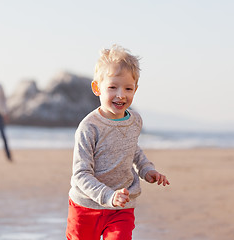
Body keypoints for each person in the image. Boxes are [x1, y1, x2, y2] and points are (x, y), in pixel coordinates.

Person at [66, 45, 170, 240]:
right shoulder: (89, 127)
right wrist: (107, 196)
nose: (121, 95)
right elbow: (81, 174)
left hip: (122, 205)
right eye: (112, 87)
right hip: (86, 206)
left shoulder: (134, 121)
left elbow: (133, 150)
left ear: (135, 89)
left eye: (128, 88)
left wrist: (147, 170)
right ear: (97, 88)